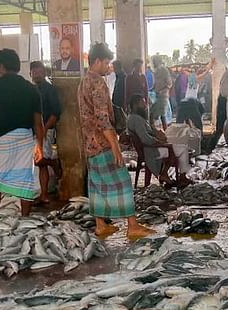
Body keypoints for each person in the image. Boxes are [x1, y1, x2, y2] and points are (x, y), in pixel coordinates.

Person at [78, 43, 153, 239]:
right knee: (123, 182)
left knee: (97, 184)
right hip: (102, 144)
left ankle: (100, 225)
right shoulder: (98, 83)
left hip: (89, 144)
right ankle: (133, 225)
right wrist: (115, 147)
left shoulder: (84, 81)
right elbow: (102, 119)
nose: (108, 66)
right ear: (96, 61)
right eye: (106, 62)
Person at [0, 49, 44, 217]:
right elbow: (39, 123)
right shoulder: (31, 89)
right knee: (25, 181)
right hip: (25, 138)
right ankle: (25, 218)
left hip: (4, 139)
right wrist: (40, 147)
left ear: (2, 66)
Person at [127, 94, 188, 187]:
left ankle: (173, 175)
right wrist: (158, 142)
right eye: (142, 104)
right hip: (150, 150)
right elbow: (145, 138)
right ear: (135, 105)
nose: (145, 106)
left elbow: (149, 133)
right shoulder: (136, 120)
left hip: (148, 148)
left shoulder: (133, 118)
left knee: (179, 148)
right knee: (180, 149)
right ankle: (166, 174)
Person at [30, 61, 62, 205]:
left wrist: (45, 128)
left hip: (46, 130)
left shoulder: (49, 89)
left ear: (44, 72)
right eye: (34, 72)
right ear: (30, 74)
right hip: (31, 131)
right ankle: (43, 194)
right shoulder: (30, 90)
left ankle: (53, 164)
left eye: (39, 71)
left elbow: (56, 112)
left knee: (42, 160)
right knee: (39, 163)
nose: (37, 74)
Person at [150, 55, 172, 130]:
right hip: (157, 96)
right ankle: (156, 132)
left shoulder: (164, 70)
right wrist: (150, 90)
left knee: (161, 116)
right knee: (154, 115)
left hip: (163, 96)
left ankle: (165, 133)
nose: (153, 63)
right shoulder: (155, 72)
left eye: (154, 61)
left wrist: (161, 90)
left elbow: (169, 84)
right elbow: (155, 85)